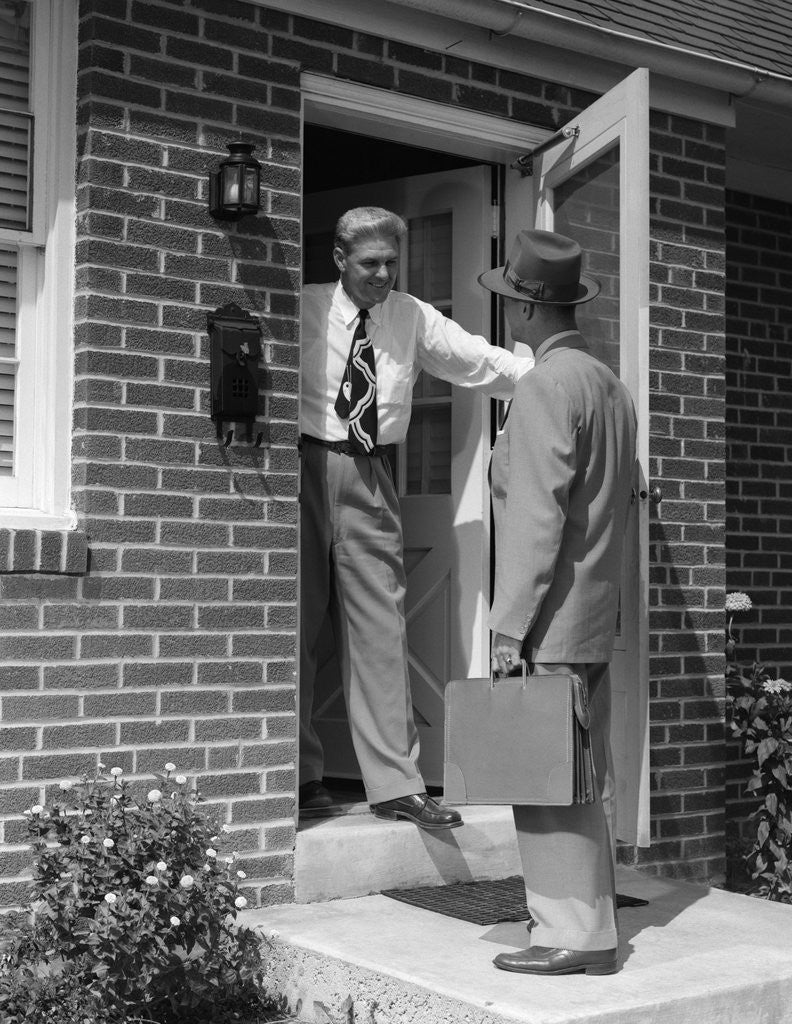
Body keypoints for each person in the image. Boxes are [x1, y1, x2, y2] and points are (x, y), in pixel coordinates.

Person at [299, 206, 533, 831]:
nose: (382, 274)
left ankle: (395, 786)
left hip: (371, 470)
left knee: (380, 626)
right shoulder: (303, 306)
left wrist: (553, 376)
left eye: (391, 263)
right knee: (296, 624)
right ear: (340, 259)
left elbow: (479, 361)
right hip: (300, 466)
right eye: (370, 262)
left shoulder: (410, 315)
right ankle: (298, 774)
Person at [479, 229, 637, 975]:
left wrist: (510, 627)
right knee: (580, 776)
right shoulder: (607, 383)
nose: (508, 311)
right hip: (591, 614)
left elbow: (539, 515)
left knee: (549, 784)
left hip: (550, 620)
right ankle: (587, 924)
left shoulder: (546, 385)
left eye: (512, 299)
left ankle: (573, 935)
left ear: (529, 308)